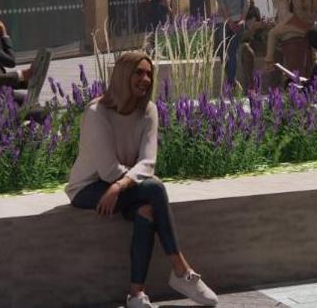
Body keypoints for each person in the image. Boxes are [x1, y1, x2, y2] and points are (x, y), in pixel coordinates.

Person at [66, 52, 218, 308]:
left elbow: (148, 162)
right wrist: (119, 183)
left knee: (148, 209)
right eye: (139, 72)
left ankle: (136, 295)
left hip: (122, 186)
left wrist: (119, 186)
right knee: (155, 188)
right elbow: (107, 170)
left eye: (149, 74)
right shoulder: (96, 112)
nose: (145, 79)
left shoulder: (148, 110)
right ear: (124, 75)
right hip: (88, 188)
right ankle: (181, 270)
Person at [211, 0, 250, 92]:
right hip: (238, 20)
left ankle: (230, 81)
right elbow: (246, 3)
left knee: (222, 52)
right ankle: (231, 81)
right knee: (233, 52)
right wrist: (242, 20)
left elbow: (222, 5)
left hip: (223, 22)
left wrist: (228, 22)